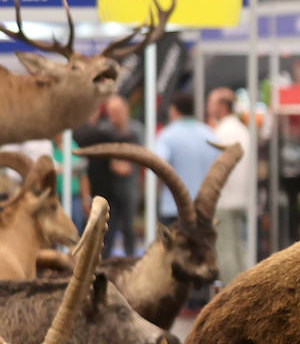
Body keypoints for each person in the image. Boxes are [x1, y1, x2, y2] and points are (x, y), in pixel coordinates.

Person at [73, 96, 144, 257]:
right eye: (111, 112)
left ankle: (128, 258)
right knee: (104, 230)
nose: (113, 116)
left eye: (117, 112)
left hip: (124, 190)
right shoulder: (103, 131)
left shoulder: (135, 131)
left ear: (125, 111)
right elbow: (119, 165)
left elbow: (126, 167)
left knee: (127, 227)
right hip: (104, 191)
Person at [206, 87, 255, 283]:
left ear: (222, 106)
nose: (209, 108)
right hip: (241, 199)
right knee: (237, 247)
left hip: (224, 200)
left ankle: (231, 293)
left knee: (225, 249)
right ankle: (245, 290)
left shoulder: (222, 132)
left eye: (211, 103)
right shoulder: (242, 130)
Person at [153, 91, 220, 226]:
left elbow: (159, 166)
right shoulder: (209, 134)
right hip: (203, 209)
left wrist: (154, 191)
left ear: (173, 110)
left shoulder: (167, 135)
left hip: (174, 208)